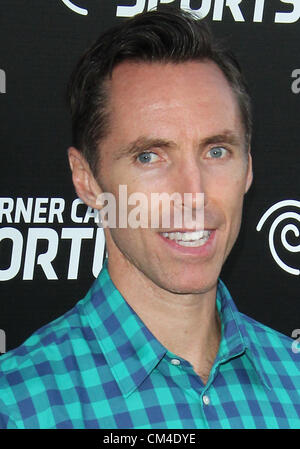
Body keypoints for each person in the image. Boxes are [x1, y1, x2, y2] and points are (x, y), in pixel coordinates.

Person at [0, 8, 299, 430]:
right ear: (87, 180)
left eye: (217, 151)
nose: (193, 194)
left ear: (248, 166)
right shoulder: (18, 406)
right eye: (149, 156)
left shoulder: (294, 381)